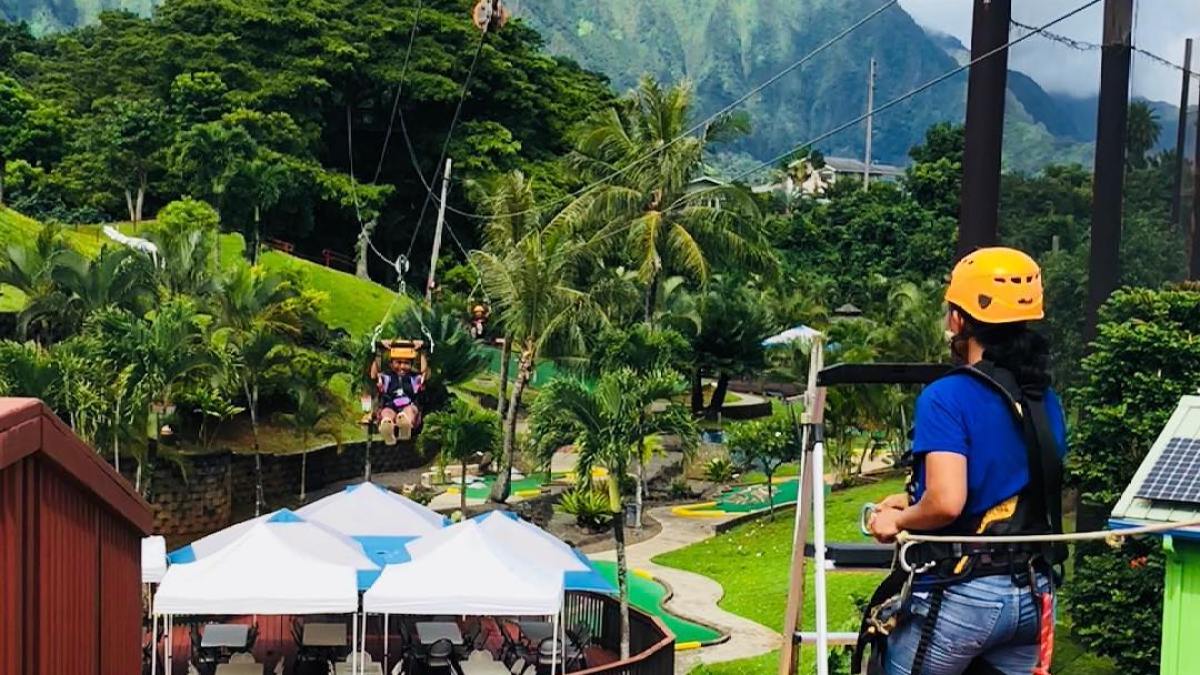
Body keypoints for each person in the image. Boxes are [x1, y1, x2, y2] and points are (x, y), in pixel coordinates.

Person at [860, 247, 1068, 675]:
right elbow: (1010, 482)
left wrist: (898, 521)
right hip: (1034, 590)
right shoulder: (1043, 397)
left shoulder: (947, 396)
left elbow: (948, 503)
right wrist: (909, 500)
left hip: (967, 592)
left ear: (958, 319)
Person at [370, 340, 428, 444]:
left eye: (406, 363)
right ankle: (387, 428)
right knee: (386, 413)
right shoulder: (387, 377)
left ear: (411, 364)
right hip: (391, 405)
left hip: (408, 404)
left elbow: (424, 372)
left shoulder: (413, 378)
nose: (402, 366)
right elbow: (374, 374)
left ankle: (405, 425)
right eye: (398, 362)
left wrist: (422, 352)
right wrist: (379, 352)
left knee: (409, 411)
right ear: (391, 364)